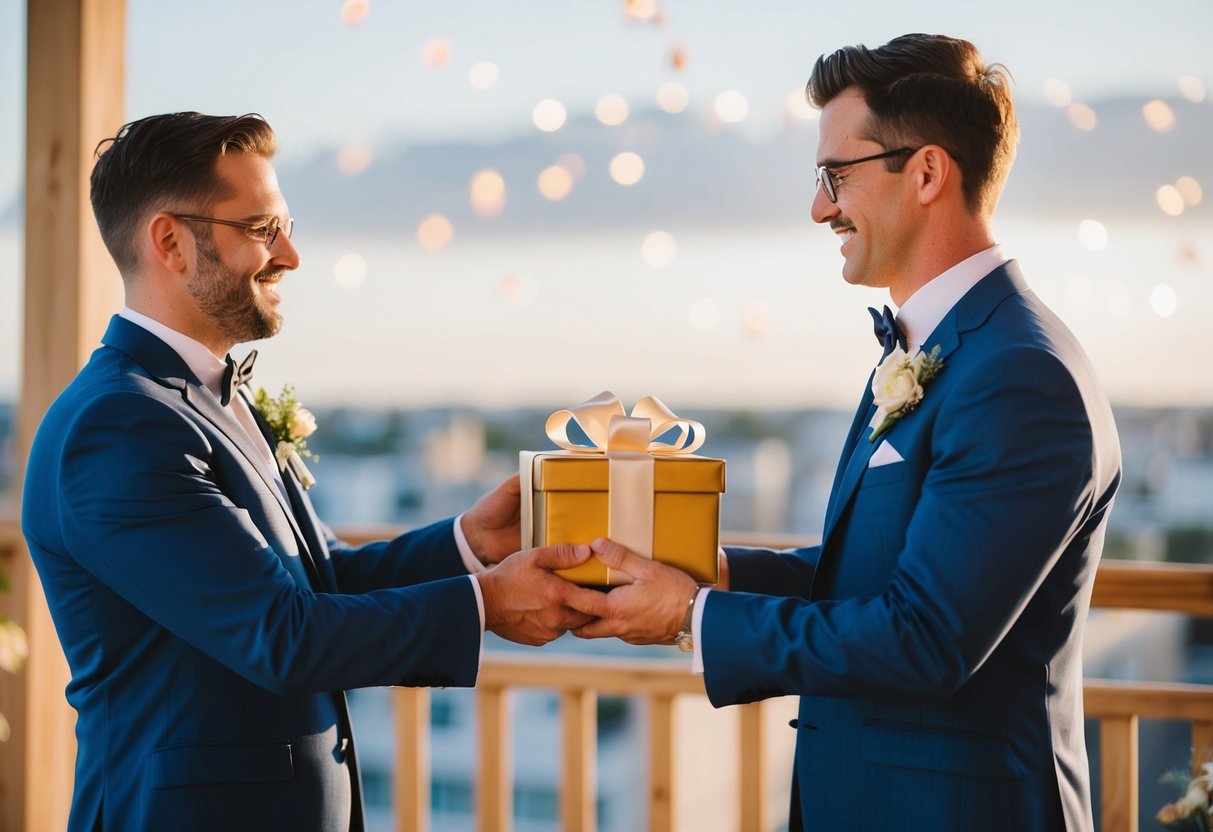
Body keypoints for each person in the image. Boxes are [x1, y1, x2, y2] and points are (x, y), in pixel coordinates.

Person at [572, 33, 1121, 830]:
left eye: (836, 175)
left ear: (927, 172)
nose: (819, 206)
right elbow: (876, 577)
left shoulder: (1019, 375)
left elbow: (924, 637)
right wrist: (709, 571)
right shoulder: (934, 349)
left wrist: (689, 616)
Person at [21, 112, 609, 832]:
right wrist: (484, 603)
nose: (290, 255)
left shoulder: (208, 399)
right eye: (262, 229)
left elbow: (316, 578)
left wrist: (469, 542)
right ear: (170, 241)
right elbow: (282, 634)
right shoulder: (116, 427)